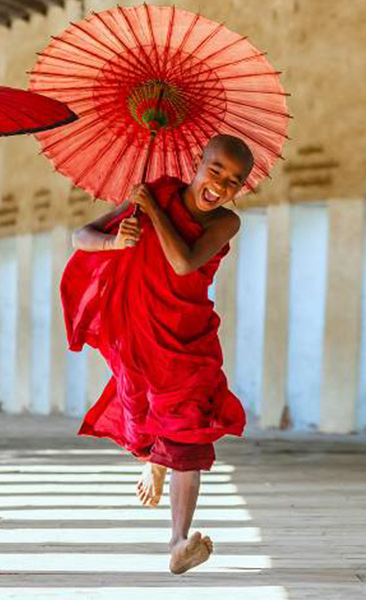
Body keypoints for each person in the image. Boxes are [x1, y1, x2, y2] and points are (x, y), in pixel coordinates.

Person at [62, 134, 253, 574]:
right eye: (215, 170)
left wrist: (153, 212)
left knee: (188, 430)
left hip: (188, 340)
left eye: (233, 181)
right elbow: (80, 237)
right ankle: (154, 461)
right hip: (137, 334)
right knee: (146, 416)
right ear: (197, 163)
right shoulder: (157, 191)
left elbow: (184, 262)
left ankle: (178, 541)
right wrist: (116, 241)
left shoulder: (225, 222)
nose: (220, 185)